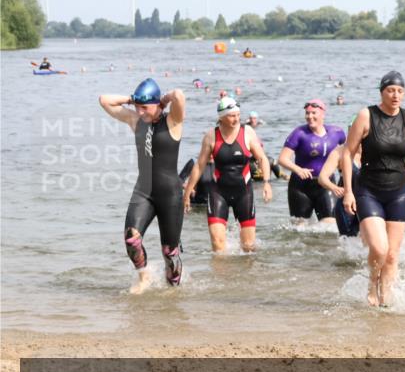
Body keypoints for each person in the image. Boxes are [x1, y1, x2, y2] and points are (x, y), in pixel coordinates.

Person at [341, 71, 405, 306]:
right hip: (369, 191)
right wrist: (348, 191)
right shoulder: (366, 115)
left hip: (399, 192)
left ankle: (386, 300)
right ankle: (372, 284)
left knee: (392, 255)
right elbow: (347, 153)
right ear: (382, 92)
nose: (395, 95)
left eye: (400, 91)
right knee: (379, 249)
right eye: (390, 90)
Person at [99, 79, 186, 293]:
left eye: (144, 107)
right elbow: (104, 100)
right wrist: (133, 99)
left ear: (157, 104)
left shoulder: (174, 121)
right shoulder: (136, 121)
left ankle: (174, 296)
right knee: (131, 238)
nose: (139, 111)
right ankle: (144, 276)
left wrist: (164, 99)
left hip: (171, 195)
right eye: (137, 107)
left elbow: (179, 95)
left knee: (170, 255)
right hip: (144, 191)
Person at [183, 97, 272, 253]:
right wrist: (187, 191)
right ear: (221, 117)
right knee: (217, 244)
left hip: (244, 193)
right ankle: (220, 276)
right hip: (219, 192)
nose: (236, 119)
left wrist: (266, 182)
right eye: (232, 115)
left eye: (238, 115)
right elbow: (199, 166)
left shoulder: (248, 132)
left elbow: (263, 158)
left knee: (248, 247)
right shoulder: (211, 136)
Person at [277, 99, 346, 224]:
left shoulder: (337, 133)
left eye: (314, 113)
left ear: (323, 114)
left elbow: (345, 156)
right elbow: (282, 159)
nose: (310, 117)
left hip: (326, 185)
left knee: (331, 226)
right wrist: (298, 169)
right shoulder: (299, 133)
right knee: (299, 229)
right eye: (307, 113)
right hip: (300, 187)